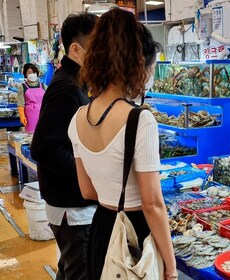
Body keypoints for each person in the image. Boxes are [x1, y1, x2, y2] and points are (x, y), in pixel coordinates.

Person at [68, 8, 177, 280]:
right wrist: (171, 268)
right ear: (138, 64)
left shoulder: (79, 117)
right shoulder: (140, 120)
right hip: (135, 234)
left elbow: (87, 190)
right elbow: (152, 205)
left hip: (103, 230)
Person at [30, 13, 98, 280]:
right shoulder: (65, 89)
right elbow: (43, 148)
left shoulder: (77, 83)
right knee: (79, 271)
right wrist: (88, 172)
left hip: (72, 205)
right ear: (76, 49)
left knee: (70, 269)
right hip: (72, 209)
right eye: (97, 48)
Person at [17, 63, 47, 132]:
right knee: (31, 136)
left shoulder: (43, 86)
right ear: (25, 74)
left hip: (43, 113)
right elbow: (20, 103)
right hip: (30, 115)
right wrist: (22, 116)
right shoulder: (22, 87)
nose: (32, 74)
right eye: (30, 72)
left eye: (34, 72)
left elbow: (49, 99)